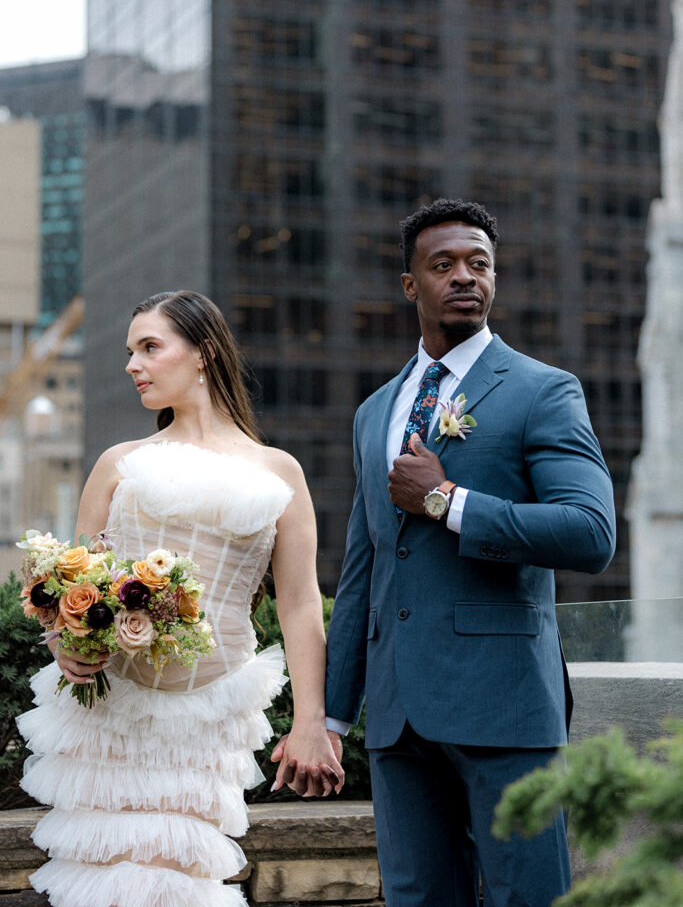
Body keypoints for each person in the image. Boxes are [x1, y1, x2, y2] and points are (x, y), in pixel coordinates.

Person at [324, 198, 616, 907]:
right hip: (398, 721)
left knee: (528, 898)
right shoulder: (374, 413)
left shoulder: (542, 390)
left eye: (478, 264)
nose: (464, 277)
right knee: (417, 898)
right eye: (443, 264)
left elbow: (590, 532)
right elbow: (363, 570)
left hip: (505, 706)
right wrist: (332, 718)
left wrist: (445, 501)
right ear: (409, 285)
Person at [17, 290, 343, 907]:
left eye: (149, 347)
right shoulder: (118, 463)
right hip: (108, 710)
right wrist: (66, 647)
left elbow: (300, 605)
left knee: (174, 880)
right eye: (129, 351)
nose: (133, 364)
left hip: (207, 716)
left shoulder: (279, 470)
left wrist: (310, 724)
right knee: (104, 875)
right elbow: (70, 587)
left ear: (204, 353)